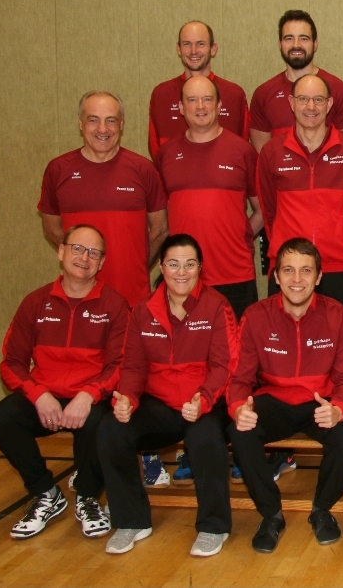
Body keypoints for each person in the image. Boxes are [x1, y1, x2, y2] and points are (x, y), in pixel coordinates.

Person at [97, 234, 238, 557]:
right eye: (174, 264)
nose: (181, 272)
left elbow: (225, 365)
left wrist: (203, 399)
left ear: (200, 268)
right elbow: (133, 366)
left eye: (190, 264)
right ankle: (131, 520)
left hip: (204, 402)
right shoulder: (142, 310)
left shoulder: (217, 306)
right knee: (112, 429)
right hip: (159, 404)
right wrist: (127, 399)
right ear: (161, 267)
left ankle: (213, 526)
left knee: (205, 437)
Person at [0, 225, 127, 540]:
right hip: (45, 396)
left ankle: (88, 497)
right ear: (61, 251)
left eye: (93, 253)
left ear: (102, 263)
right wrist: (38, 394)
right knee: (2, 418)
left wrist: (89, 395)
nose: (84, 258)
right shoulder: (35, 302)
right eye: (77, 248)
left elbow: (120, 364)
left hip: (90, 398)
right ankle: (46, 494)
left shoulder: (114, 304)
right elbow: (11, 362)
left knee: (99, 422)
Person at [227, 237, 343, 553]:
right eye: (288, 270)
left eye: (305, 270)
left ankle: (322, 509)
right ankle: (271, 514)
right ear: (275, 276)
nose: (296, 279)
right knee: (239, 429)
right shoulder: (256, 316)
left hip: (320, 401)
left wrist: (339, 408)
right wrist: (238, 407)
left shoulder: (338, 316)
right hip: (274, 399)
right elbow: (238, 378)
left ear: (319, 277)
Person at [38, 90, 169, 310]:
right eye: (93, 120)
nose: (102, 129)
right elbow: (52, 229)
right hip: (78, 298)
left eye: (111, 120)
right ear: (80, 123)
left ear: (121, 124)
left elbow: (160, 230)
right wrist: (81, 262)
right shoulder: (58, 170)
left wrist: (135, 265)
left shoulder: (143, 169)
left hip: (132, 299)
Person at [257, 73, 343, 319]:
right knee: (283, 339)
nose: (311, 107)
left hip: (339, 268)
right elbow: (268, 211)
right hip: (288, 271)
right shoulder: (271, 152)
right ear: (291, 102)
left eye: (318, 99)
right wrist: (287, 254)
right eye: (303, 99)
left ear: (329, 104)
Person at [155, 75, 262, 319]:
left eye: (207, 99)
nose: (200, 106)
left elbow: (263, 210)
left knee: (237, 343)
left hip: (234, 275)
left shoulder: (242, 151)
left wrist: (240, 234)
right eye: (192, 100)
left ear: (219, 105)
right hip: (183, 278)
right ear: (181, 107)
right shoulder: (166, 154)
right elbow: (159, 219)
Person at [249, 10, 343, 151]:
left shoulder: (338, 90)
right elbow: (263, 156)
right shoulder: (263, 94)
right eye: (289, 38)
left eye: (304, 38)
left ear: (315, 44)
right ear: (280, 44)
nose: (296, 45)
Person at [148, 20, 249, 157]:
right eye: (186, 44)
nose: (193, 51)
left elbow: (242, 150)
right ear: (178, 49)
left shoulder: (234, 94)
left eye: (200, 44)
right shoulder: (161, 95)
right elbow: (157, 154)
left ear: (213, 48)